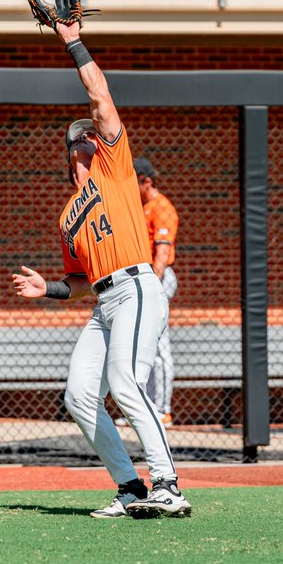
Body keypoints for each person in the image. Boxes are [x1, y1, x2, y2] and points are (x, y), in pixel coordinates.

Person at [11, 20, 192, 520]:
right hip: (105, 301)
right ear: (74, 154)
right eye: (82, 139)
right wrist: (45, 287)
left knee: (126, 383)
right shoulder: (68, 214)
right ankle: (131, 487)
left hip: (137, 286)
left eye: (92, 134)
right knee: (78, 394)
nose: (91, 137)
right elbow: (76, 283)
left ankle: (169, 484)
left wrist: (72, 41)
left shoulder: (116, 167)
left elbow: (100, 96)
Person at [116, 157, 178, 429]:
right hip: (143, 279)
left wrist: (152, 284)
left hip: (157, 279)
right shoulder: (142, 207)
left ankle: (163, 409)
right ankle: (147, 408)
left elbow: (162, 251)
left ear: (147, 181)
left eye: (135, 183)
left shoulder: (162, 206)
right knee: (145, 347)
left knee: (159, 346)